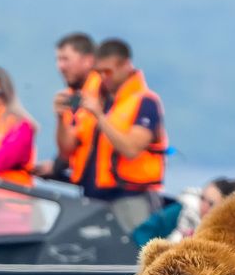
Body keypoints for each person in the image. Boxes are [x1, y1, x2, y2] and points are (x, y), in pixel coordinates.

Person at [63, 38, 168, 230]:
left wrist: (100, 117)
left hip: (130, 199)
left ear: (125, 65)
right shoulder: (100, 100)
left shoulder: (145, 102)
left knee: (133, 256)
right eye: (99, 72)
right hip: (93, 198)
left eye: (108, 71)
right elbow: (70, 147)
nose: (104, 77)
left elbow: (131, 149)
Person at [35, 32, 100, 180]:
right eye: (58, 60)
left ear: (88, 60)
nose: (60, 67)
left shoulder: (103, 92)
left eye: (65, 59)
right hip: (89, 185)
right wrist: (59, 115)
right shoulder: (75, 96)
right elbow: (70, 147)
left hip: (114, 189)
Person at [131, 177, 235, 246]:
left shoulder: (232, 231)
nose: (203, 206)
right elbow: (142, 233)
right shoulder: (182, 210)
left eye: (211, 204)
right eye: (202, 198)